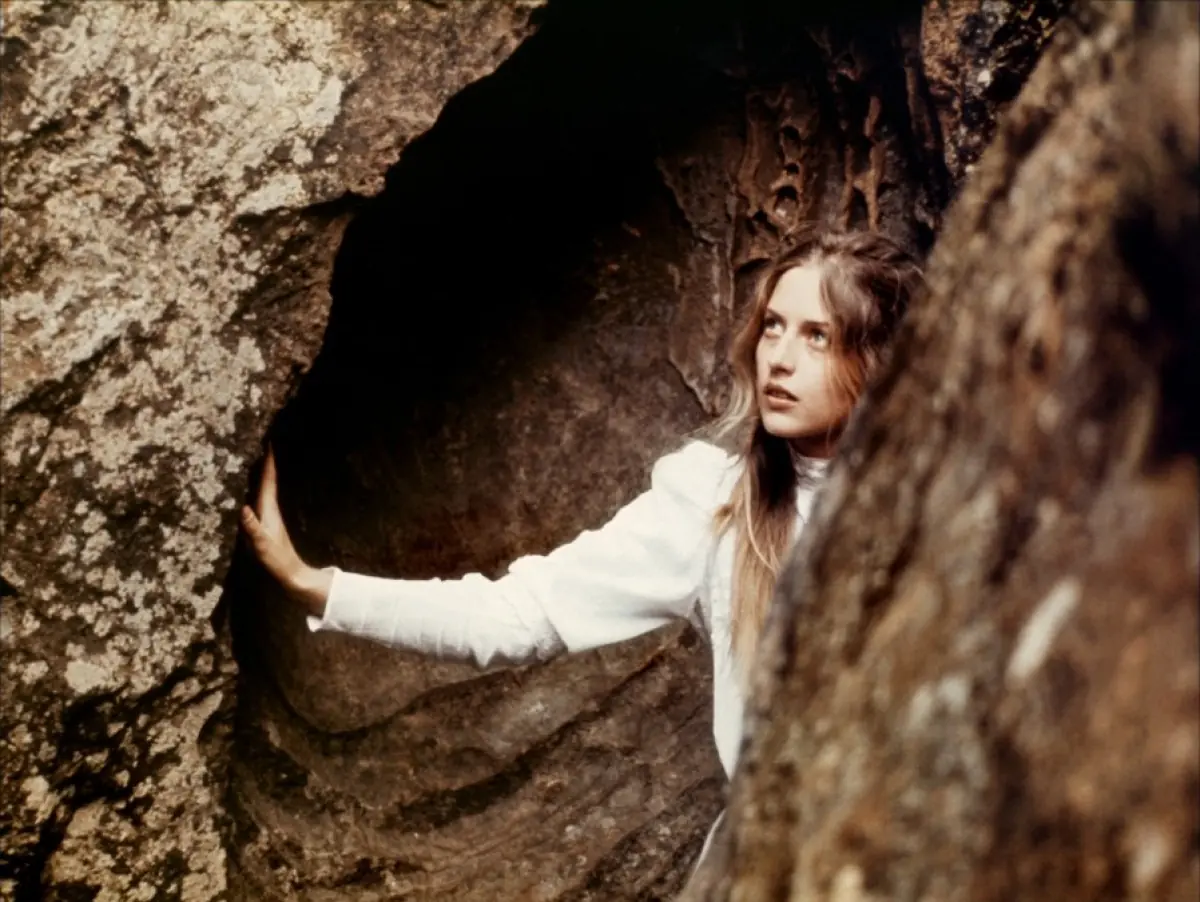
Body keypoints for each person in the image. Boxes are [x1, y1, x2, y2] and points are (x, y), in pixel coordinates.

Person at [240, 225, 924, 867]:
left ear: (879, 361)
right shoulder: (713, 503)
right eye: (773, 326)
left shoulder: (949, 506)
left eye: (818, 336)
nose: (779, 358)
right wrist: (318, 585)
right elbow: (523, 615)